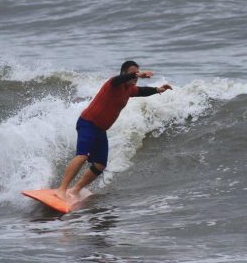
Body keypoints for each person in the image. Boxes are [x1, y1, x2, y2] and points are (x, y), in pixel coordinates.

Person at [55, 61, 172, 201]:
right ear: (124, 74)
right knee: (82, 156)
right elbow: (118, 79)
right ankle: (61, 189)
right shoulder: (113, 84)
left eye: (137, 74)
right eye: (133, 74)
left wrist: (158, 90)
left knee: (100, 164)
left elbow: (142, 91)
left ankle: (75, 190)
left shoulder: (129, 90)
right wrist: (136, 74)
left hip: (100, 129)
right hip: (88, 123)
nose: (136, 77)